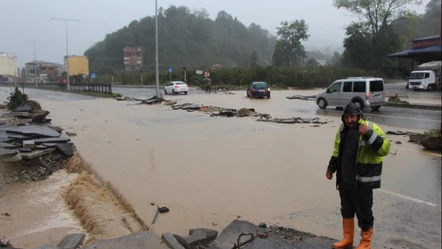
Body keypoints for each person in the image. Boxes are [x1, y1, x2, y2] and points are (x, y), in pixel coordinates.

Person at [326, 102, 391, 249]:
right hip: (345, 179)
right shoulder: (342, 129)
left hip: (363, 181)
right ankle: (347, 238)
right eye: (347, 117)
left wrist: (368, 133)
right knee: (346, 209)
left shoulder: (370, 127)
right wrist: (331, 168)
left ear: (359, 116)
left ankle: (365, 243)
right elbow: (337, 150)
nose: (350, 121)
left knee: (364, 212)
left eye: (353, 117)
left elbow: (385, 149)